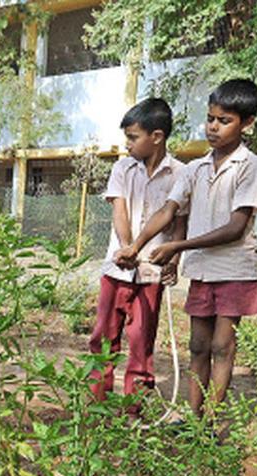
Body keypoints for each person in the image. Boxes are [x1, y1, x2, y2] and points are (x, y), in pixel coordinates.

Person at [118, 79, 257, 415]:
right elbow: (168, 210)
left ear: (247, 123)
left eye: (224, 120)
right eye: (211, 118)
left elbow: (235, 227)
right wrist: (137, 245)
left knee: (221, 345)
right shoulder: (195, 168)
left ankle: (210, 423)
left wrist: (178, 246)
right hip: (201, 269)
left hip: (233, 269)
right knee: (198, 345)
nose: (213, 127)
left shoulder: (251, 166)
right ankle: (193, 415)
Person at [89, 97, 186, 405]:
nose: (128, 144)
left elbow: (179, 223)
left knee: (141, 342)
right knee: (103, 338)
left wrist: (174, 259)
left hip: (151, 274)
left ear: (156, 137)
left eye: (133, 137)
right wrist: (127, 247)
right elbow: (119, 210)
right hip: (116, 269)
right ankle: (97, 403)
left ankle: (134, 410)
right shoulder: (122, 168)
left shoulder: (182, 173)